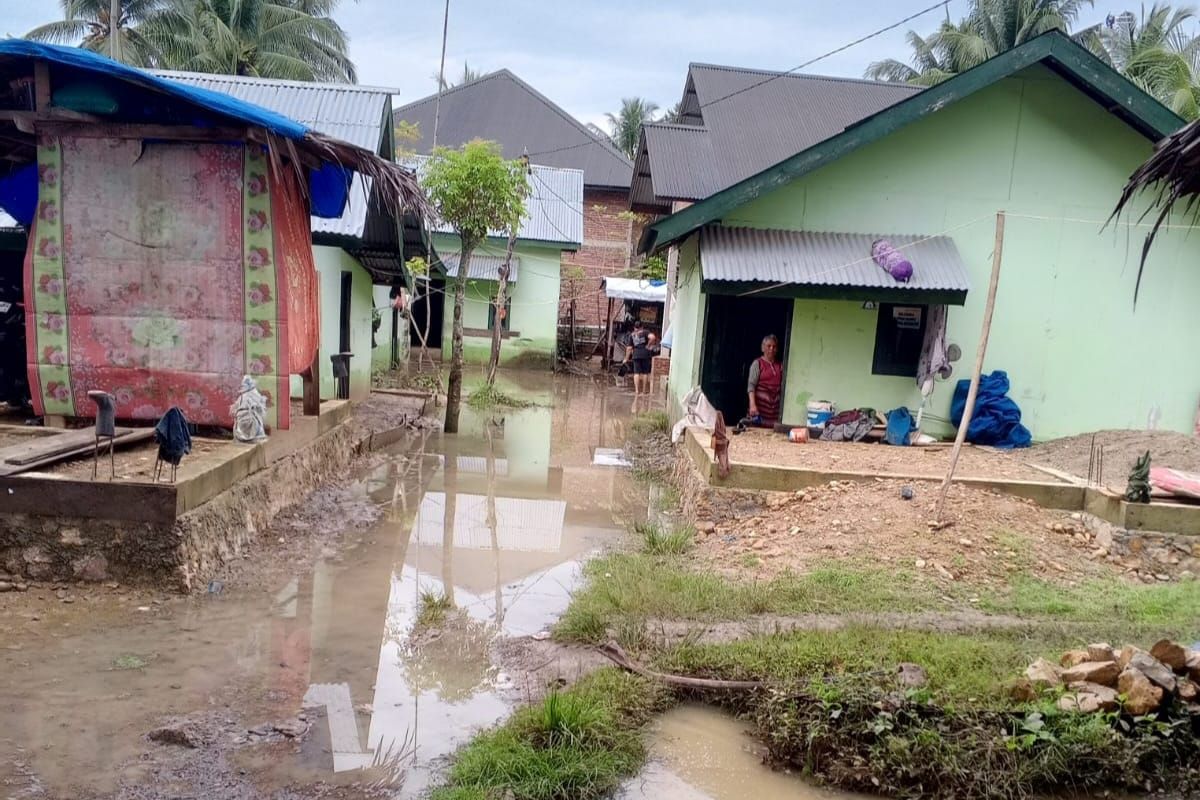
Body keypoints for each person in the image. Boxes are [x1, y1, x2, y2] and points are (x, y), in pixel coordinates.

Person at [747, 334, 783, 426]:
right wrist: (752, 405)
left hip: (774, 413)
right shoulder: (757, 363)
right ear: (763, 348)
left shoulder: (780, 366)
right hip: (759, 411)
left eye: (774, 347)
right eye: (769, 346)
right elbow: (751, 386)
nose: (771, 349)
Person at [626, 321, 654, 395]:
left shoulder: (632, 335)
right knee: (645, 373)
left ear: (634, 327)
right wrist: (648, 345)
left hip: (636, 354)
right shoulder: (645, 332)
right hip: (645, 354)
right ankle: (644, 391)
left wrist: (626, 358)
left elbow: (629, 348)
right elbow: (652, 337)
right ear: (642, 327)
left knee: (636, 373)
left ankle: (637, 391)